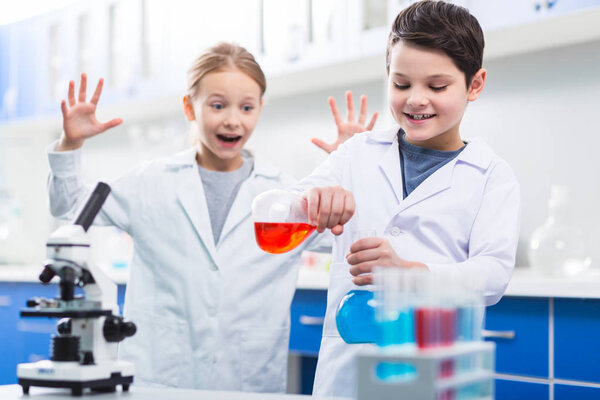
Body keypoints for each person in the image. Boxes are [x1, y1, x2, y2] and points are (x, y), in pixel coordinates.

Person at [46, 42, 376, 392]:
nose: (233, 119)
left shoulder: (286, 196)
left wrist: (349, 170)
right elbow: (70, 206)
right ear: (190, 107)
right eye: (217, 105)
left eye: (246, 107)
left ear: (260, 109)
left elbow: (354, 235)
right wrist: (70, 144)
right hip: (159, 379)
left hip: (247, 379)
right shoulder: (151, 182)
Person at [290, 1, 521, 397]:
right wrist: (315, 199)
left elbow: (493, 273)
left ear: (475, 84)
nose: (415, 99)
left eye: (436, 86)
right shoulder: (356, 153)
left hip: (433, 372)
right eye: (401, 84)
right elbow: (292, 211)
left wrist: (410, 273)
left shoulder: (491, 176)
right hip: (347, 377)